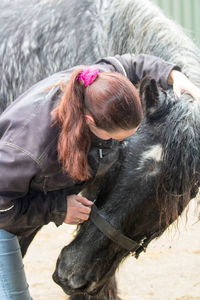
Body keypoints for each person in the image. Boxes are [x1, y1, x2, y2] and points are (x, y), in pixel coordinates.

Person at [0, 53, 199, 299]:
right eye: (116, 137)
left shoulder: (96, 85)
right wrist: (58, 208)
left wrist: (173, 74)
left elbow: (129, 63)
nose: (121, 142)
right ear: (90, 121)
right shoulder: (29, 149)